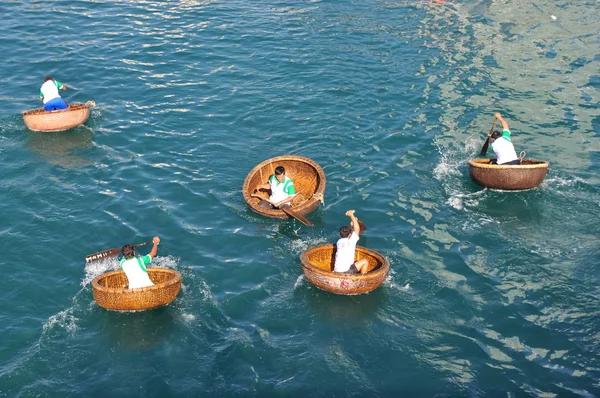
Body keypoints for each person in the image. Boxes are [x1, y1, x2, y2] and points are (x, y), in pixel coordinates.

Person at [334, 210, 370, 274]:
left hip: (337, 271)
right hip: (346, 271)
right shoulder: (351, 242)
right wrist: (352, 216)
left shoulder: (339, 242)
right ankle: (362, 280)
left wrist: (351, 224)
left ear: (340, 234)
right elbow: (357, 229)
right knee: (365, 262)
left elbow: (347, 232)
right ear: (350, 235)